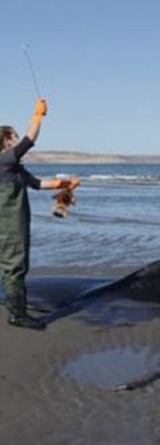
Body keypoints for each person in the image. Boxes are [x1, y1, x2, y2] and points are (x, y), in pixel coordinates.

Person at [1, 99, 80, 330]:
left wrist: (64, 184)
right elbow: (29, 140)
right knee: (15, 267)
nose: (16, 141)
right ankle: (17, 314)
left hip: (16, 223)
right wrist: (38, 116)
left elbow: (37, 184)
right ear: (6, 140)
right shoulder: (3, 160)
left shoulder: (15, 168)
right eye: (13, 137)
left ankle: (16, 307)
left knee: (16, 265)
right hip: (8, 225)